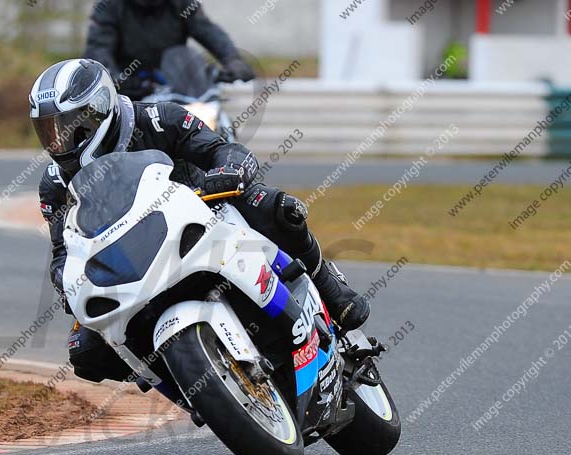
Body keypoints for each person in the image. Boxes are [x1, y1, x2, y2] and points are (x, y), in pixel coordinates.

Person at [32, 59, 369, 383]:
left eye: (67, 127)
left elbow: (224, 150)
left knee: (276, 208)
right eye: (48, 131)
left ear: (99, 109)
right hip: (131, 258)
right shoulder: (55, 183)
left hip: (204, 214)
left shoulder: (158, 119)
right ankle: (190, 381)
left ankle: (331, 289)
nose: (57, 140)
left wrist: (228, 171)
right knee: (87, 353)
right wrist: (68, 283)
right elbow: (63, 250)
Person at [84, 0, 255, 100]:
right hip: (131, 92)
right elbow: (99, 49)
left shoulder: (181, 2)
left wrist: (232, 59)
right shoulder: (110, 6)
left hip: (178, 86)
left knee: (218, 120)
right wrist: (115, 79)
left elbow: (206, 29)